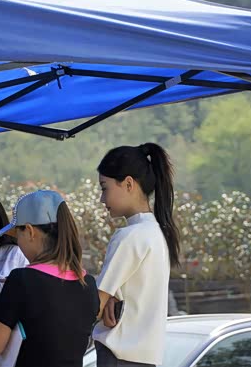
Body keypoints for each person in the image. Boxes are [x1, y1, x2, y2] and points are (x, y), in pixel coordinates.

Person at [93, 143, 181, 367]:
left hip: (118, 358)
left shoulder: (129, 236)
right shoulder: (157, 234)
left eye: (104, 188)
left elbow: (94, 306)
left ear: (129, 183)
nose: (102, 199)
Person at [0, 190, 100, 367]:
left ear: (30, 231)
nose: (18, 243)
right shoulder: (89, 284)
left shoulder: (22, 280)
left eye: (18, 235)